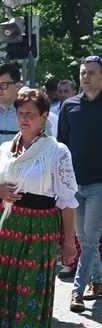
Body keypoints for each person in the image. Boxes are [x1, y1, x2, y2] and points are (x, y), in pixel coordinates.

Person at [0, 89, 78, 328]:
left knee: (29, 284)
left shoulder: (57, 151)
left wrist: (68, 242)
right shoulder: (7, 148)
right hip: (5, 224)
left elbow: (67, 201)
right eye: (21, 113)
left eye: (31, 113)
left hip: (39, 225)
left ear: (44, 117)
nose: (24, 118)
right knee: (5, 281)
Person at [58, 56, 102, 313]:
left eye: (92, 73)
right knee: (85, 236)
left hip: (99, 184)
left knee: (89, 238)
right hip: (74, 184)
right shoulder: (69, 106)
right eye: (83, 72)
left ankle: (77, 290)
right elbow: (61, 144)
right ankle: (97, 280)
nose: (86, 77)